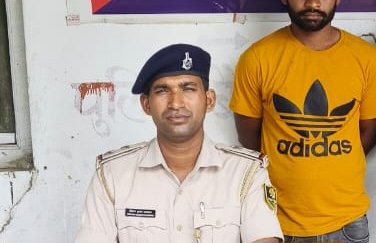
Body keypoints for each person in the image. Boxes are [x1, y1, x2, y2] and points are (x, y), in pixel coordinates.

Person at [229, 0, 376, 242]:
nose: (313, 2)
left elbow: (368, 132)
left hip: (347, 222)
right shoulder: (257, 58)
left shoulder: (367, 58)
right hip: (277, 222)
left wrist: (328, 159)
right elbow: (249, 138)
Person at [75, 44, 283, 243]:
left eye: (188, 89)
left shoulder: (246, 172)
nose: (176, 103)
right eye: (162, 90)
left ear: (209, 100)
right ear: (146, 104)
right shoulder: (112, 174)